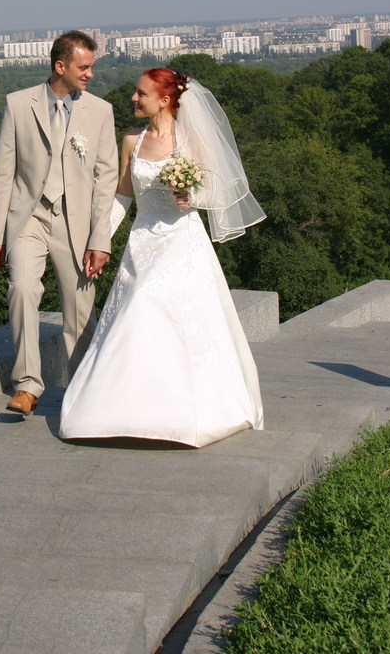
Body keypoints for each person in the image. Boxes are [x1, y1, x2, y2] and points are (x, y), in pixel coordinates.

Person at [59, 67, 265, 446]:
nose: (133, 98)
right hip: (142, 242)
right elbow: (122, 197)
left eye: (141, 94)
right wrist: (100, 242)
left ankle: (178, 413)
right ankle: (124, 410)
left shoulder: (190, 140)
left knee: (149, 303)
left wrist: (192, 196)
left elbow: (215, 192)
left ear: (165, 100)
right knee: (137, 312)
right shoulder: (131, 141)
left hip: (181, 242)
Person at [0, 31, 119, 416]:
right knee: (22, 288)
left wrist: (101, 239)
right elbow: (2, 172)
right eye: (84, 67)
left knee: (79, 310)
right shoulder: (18, 104)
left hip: (76, 224)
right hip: (28, 218)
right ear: (60, 66)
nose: (90, 74)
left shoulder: (101, 111)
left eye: (91, 67)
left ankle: (82, 391)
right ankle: (28, 385)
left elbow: (106, 179)